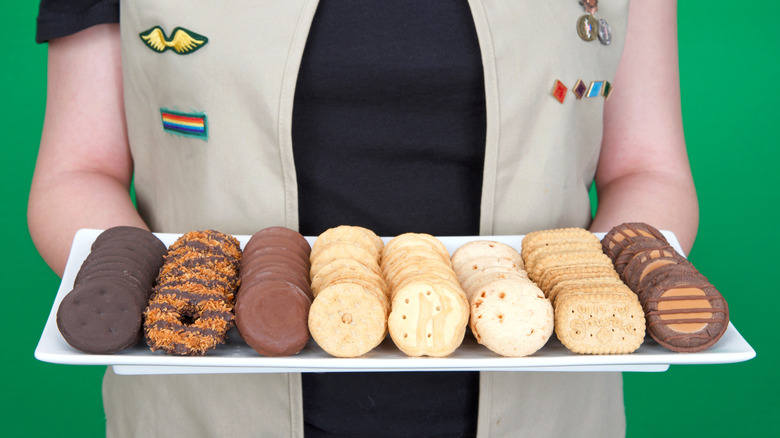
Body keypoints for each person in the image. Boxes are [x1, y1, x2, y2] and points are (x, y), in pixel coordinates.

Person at [29, 0, 698, 437]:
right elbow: (76, 173)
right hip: (201, 413)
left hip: (550, 416)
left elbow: (648, 172)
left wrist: (595, 297)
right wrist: (152, 299)